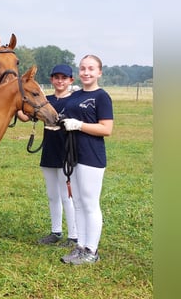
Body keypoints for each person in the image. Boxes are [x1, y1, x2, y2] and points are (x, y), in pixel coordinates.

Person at [59, 55, 114, 265]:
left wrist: (79, 125)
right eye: (82, 68)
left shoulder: (102, 97)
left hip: (91, 156)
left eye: (91, 68)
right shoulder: (75, 95)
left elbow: (106, 128)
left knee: (90, 204)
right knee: (78, 203)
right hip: (73, 155)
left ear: (99, 72)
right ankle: (80, 246)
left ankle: (92, 250)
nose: (86, 72)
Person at [18, 64, 78, 248]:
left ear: (70, 80)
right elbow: (26, 116)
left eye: (64, 78)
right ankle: (56, 231)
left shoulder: (74, 101)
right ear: (52, 79)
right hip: (49, 151)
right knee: (52, 195)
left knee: (66, 195)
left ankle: (74, 235)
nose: (60, 81)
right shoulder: (47, 99)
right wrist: (13, 105)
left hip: (66, 151)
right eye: (56, 77)